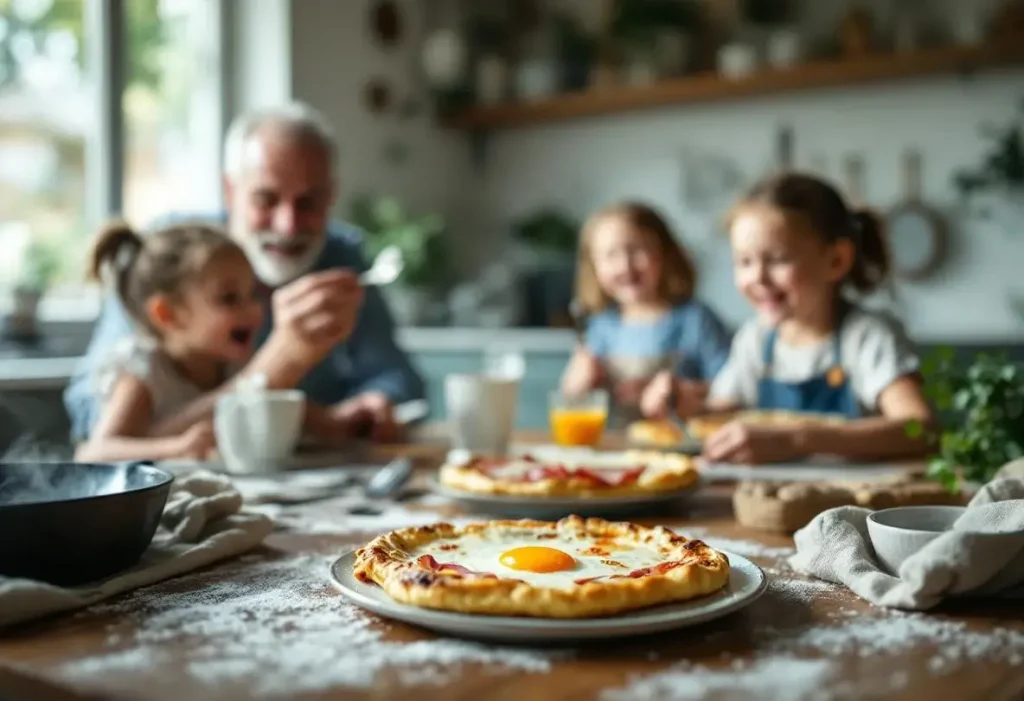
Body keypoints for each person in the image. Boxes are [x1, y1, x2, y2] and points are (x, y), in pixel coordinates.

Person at [65, 102, 425, 444]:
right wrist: (279, 362)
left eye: (308, 202)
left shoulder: (342, 256)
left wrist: (379, 402)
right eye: (266, 200)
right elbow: (92, 414)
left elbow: (398, 377)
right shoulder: (169, 255)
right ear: (231, 191)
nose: (288, 225)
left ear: (331, 195)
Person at [703, 172, 933, 463]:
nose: (757, 277)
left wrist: (798, 438)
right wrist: (680, 404)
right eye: (744, 262)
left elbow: (920, 429)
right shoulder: (755, 340)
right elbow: (719, 415)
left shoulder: (867, 336)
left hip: (856, 502)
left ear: (836, 260)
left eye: (777, 259)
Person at [75, 221, 261, 462]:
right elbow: (94, 454)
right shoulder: (145, 369)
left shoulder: (231, 364)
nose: (254, 310)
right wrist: (178, 448)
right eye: (229, 298)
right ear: (167, 314)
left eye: (252, 294)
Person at [560, 202, 732, 423]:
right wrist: (576, 385)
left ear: (666, 253)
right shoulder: (600, 327)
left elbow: (734, 390)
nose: (625, 266)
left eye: (636, 249)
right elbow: (571, 402)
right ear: (593, 266)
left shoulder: (696, 319)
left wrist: (677, 392)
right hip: (617, 450)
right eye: (610, 255)